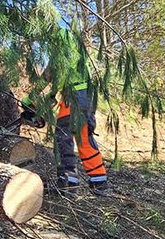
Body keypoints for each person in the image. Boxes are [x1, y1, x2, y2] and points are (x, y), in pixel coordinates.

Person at [21, 26, 108, 196]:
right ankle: (100, 183)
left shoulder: (62, 51)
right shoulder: (78, 54)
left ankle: (67, 184)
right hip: (88, 98)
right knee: (84, 139)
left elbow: (50, 76)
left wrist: (31, 99)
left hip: (73, 98)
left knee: (63, 139)